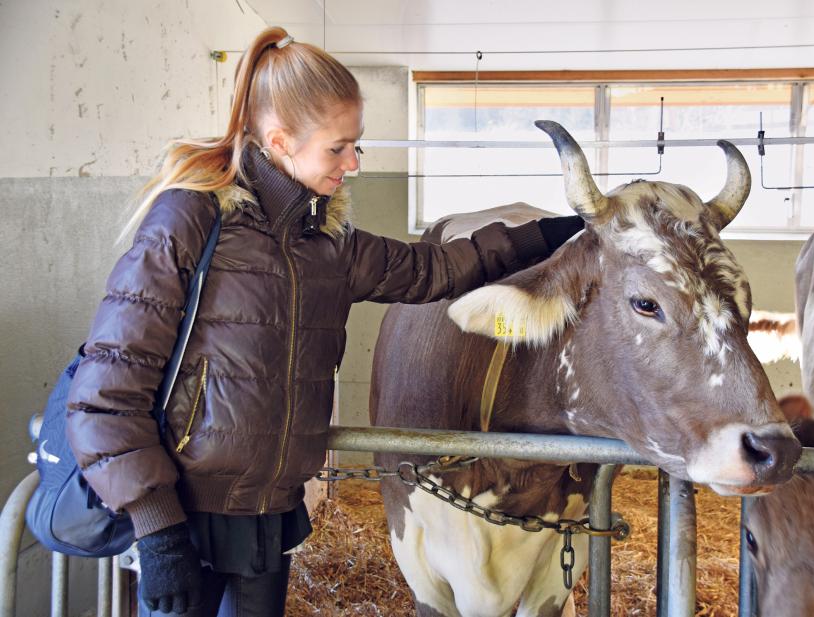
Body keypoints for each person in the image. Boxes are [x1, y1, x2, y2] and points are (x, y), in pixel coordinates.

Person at [65, 26, 583, 617]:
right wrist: (157, 530)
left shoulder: (327, 242)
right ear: (281, 140)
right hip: (183, 521)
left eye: (355, 145)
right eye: (338, 148)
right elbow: (105, 395)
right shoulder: (191, 219)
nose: (354, 163)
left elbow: (431, 269)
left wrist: (547, 237)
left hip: (266, 517)